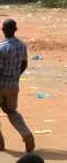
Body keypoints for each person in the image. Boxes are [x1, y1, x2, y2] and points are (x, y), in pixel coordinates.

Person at [0, 19, 34, 152]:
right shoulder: (22, 45)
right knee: (12, 111)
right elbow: (24, 64)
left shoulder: (2, 48)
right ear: (16, 30)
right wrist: (16, 76)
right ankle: (26, 134)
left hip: (1, 84)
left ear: (3, 30)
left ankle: (0, 144)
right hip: (13, 85)